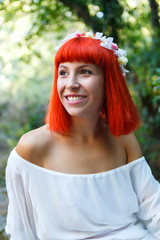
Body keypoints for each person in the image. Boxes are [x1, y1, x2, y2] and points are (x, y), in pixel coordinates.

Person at [5, 31, 160, 240]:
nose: (71, 83)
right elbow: (22, 231)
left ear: (110, 82)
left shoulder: (122, 138)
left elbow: (154, 209)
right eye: (63, 72)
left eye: (85, 71)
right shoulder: (32, 148)